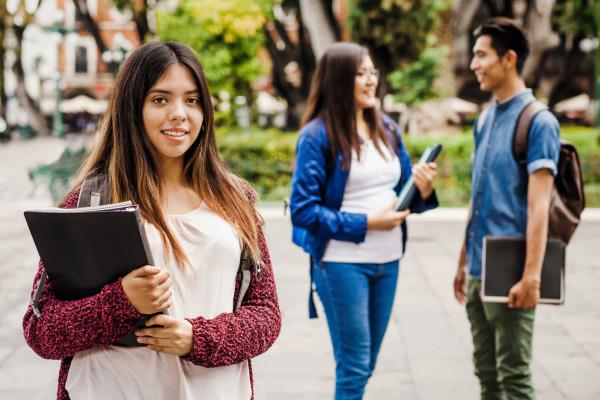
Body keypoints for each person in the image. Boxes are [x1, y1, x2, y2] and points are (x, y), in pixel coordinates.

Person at [22, 41, 281, 400]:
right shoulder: (90, 201)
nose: (179, 113)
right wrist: (121, 302)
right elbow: (41, 329)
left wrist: (196, 338)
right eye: (160, 100)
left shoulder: (236, 199)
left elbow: (266, 315)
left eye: (191, 100)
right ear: (133, 108)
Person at [290, 42, 438, 400]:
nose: (371, 79)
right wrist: (367, 223)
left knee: (366, 362)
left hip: (387, 261)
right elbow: (303, 210)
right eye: (361, 73)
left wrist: (422, 187)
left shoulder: (386, 127)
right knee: (355, 366)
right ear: (339, 79)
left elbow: (404, 192)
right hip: (342, 265)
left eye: (372, 71)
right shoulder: (317, 136)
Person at [453, 17, 561, 400]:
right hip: (479, 267)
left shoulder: (539, 122)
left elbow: (539, 207)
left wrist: (532, 276)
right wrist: (463, 261)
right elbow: (479, 197)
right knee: (486, 375)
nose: (474, 64)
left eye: (482, 55)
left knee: (514, 378)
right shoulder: (485, 119)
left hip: (511, 267)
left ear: (509, 59)